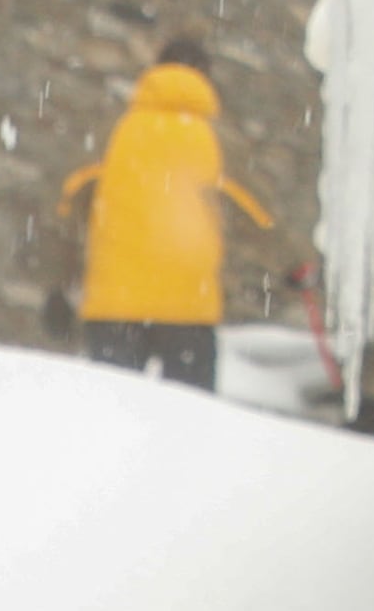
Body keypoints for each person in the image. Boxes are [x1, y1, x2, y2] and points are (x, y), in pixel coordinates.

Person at [57, 40, 271, 393]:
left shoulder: (115, 129)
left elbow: (70, 206)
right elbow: (257, 215)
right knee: (190, 428)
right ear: (206, 77)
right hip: (188, 312)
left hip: (114, 306)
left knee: (113, 415)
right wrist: (292, 269)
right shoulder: (217, 140)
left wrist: (60, 283)